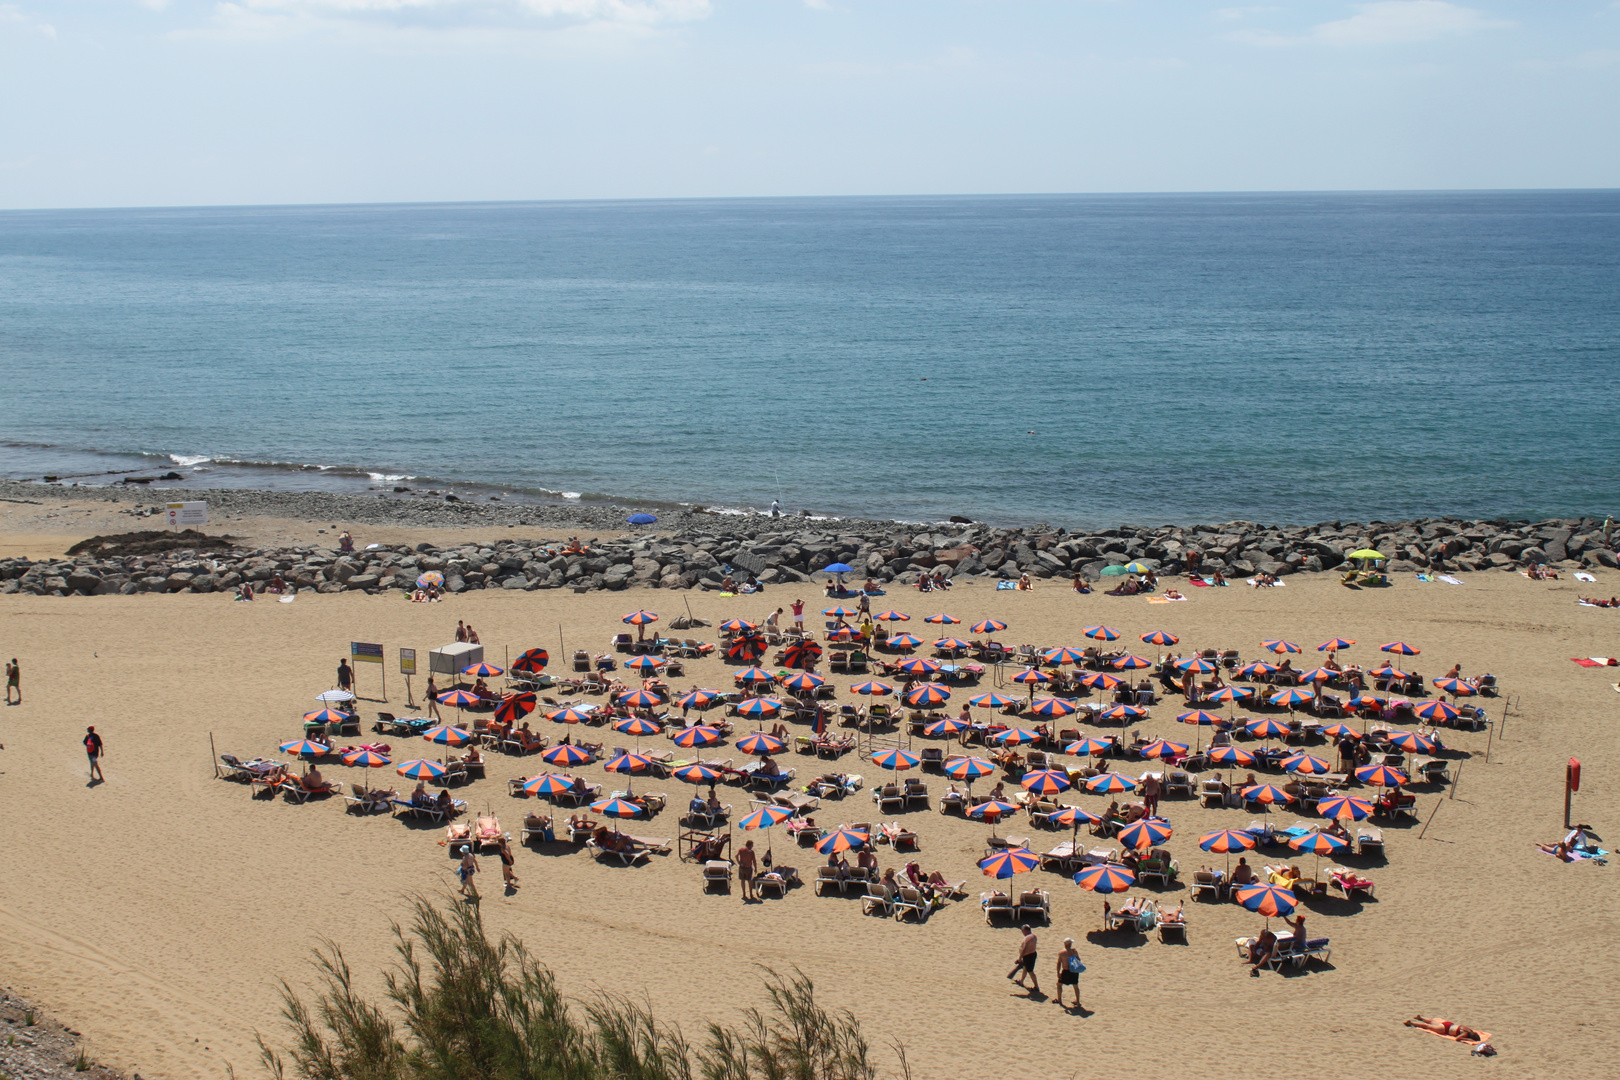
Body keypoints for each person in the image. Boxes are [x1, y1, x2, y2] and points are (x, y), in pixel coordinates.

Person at [1008, 924, 1040, 993]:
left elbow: (1024, 949)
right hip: (1032, 954)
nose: (1022, 932)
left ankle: (1036, 987)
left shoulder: (1027, 938)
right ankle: (1021, 981)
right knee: (1025, 968)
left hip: (1028, 956)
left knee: (1030, 972)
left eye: (1022, 931)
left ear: (1025, 930)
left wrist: (1020, 958)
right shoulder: (1034, 936)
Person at [1404, 1016, 1484, 1042]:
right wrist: (1468, 1040)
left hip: (1449, 1024)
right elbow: (1457, 1039)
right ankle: (1411, 1023)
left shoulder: (1469, 1029)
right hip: (1445, 1029)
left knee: (1432, 1021)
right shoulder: (1466, 1034)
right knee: (1428, 1027)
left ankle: (1420, 1017)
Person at [1054, 937, 1082, 1010]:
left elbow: (1059, 963)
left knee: (1059, 984)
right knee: (1075, 986)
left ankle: (1059, 999)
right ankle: (1078, 1002)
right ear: (1069, 944)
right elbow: (1079, 960)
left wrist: (1058, 972)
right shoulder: (1074, 951)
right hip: (1074, 971)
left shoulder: (1061, 953)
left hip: (1066, 971)